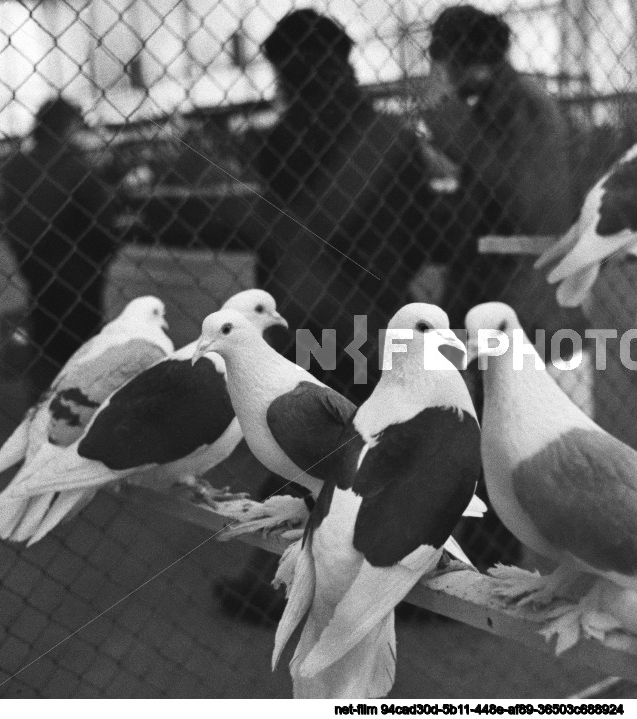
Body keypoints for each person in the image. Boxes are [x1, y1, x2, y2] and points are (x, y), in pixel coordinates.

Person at [215, 9, 447, 624]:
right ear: (344, 60)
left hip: (309, 314)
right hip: (377, 310)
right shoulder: (390, 137)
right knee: (381, 442)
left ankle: (280, 580)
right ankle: (402, 576)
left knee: (306, 447)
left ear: (289, 69)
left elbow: (271, 238)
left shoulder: (283, 142)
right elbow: (424, 230)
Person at [422, 4, 577, 331]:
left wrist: (440, 112)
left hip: (519, 288)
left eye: (440, 63)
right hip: (524, 284)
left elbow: (499, 177)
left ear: (452, 59)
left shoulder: (516, 104)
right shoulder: (509, 98)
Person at [1, 97, 119, 396]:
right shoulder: (75, 167)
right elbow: (102, 225)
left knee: (47, 350)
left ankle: (44, 414)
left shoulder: (16, 169)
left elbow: (13, 224)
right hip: (80, 275)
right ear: (68, 126)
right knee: (84, 354)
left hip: (38, 274)